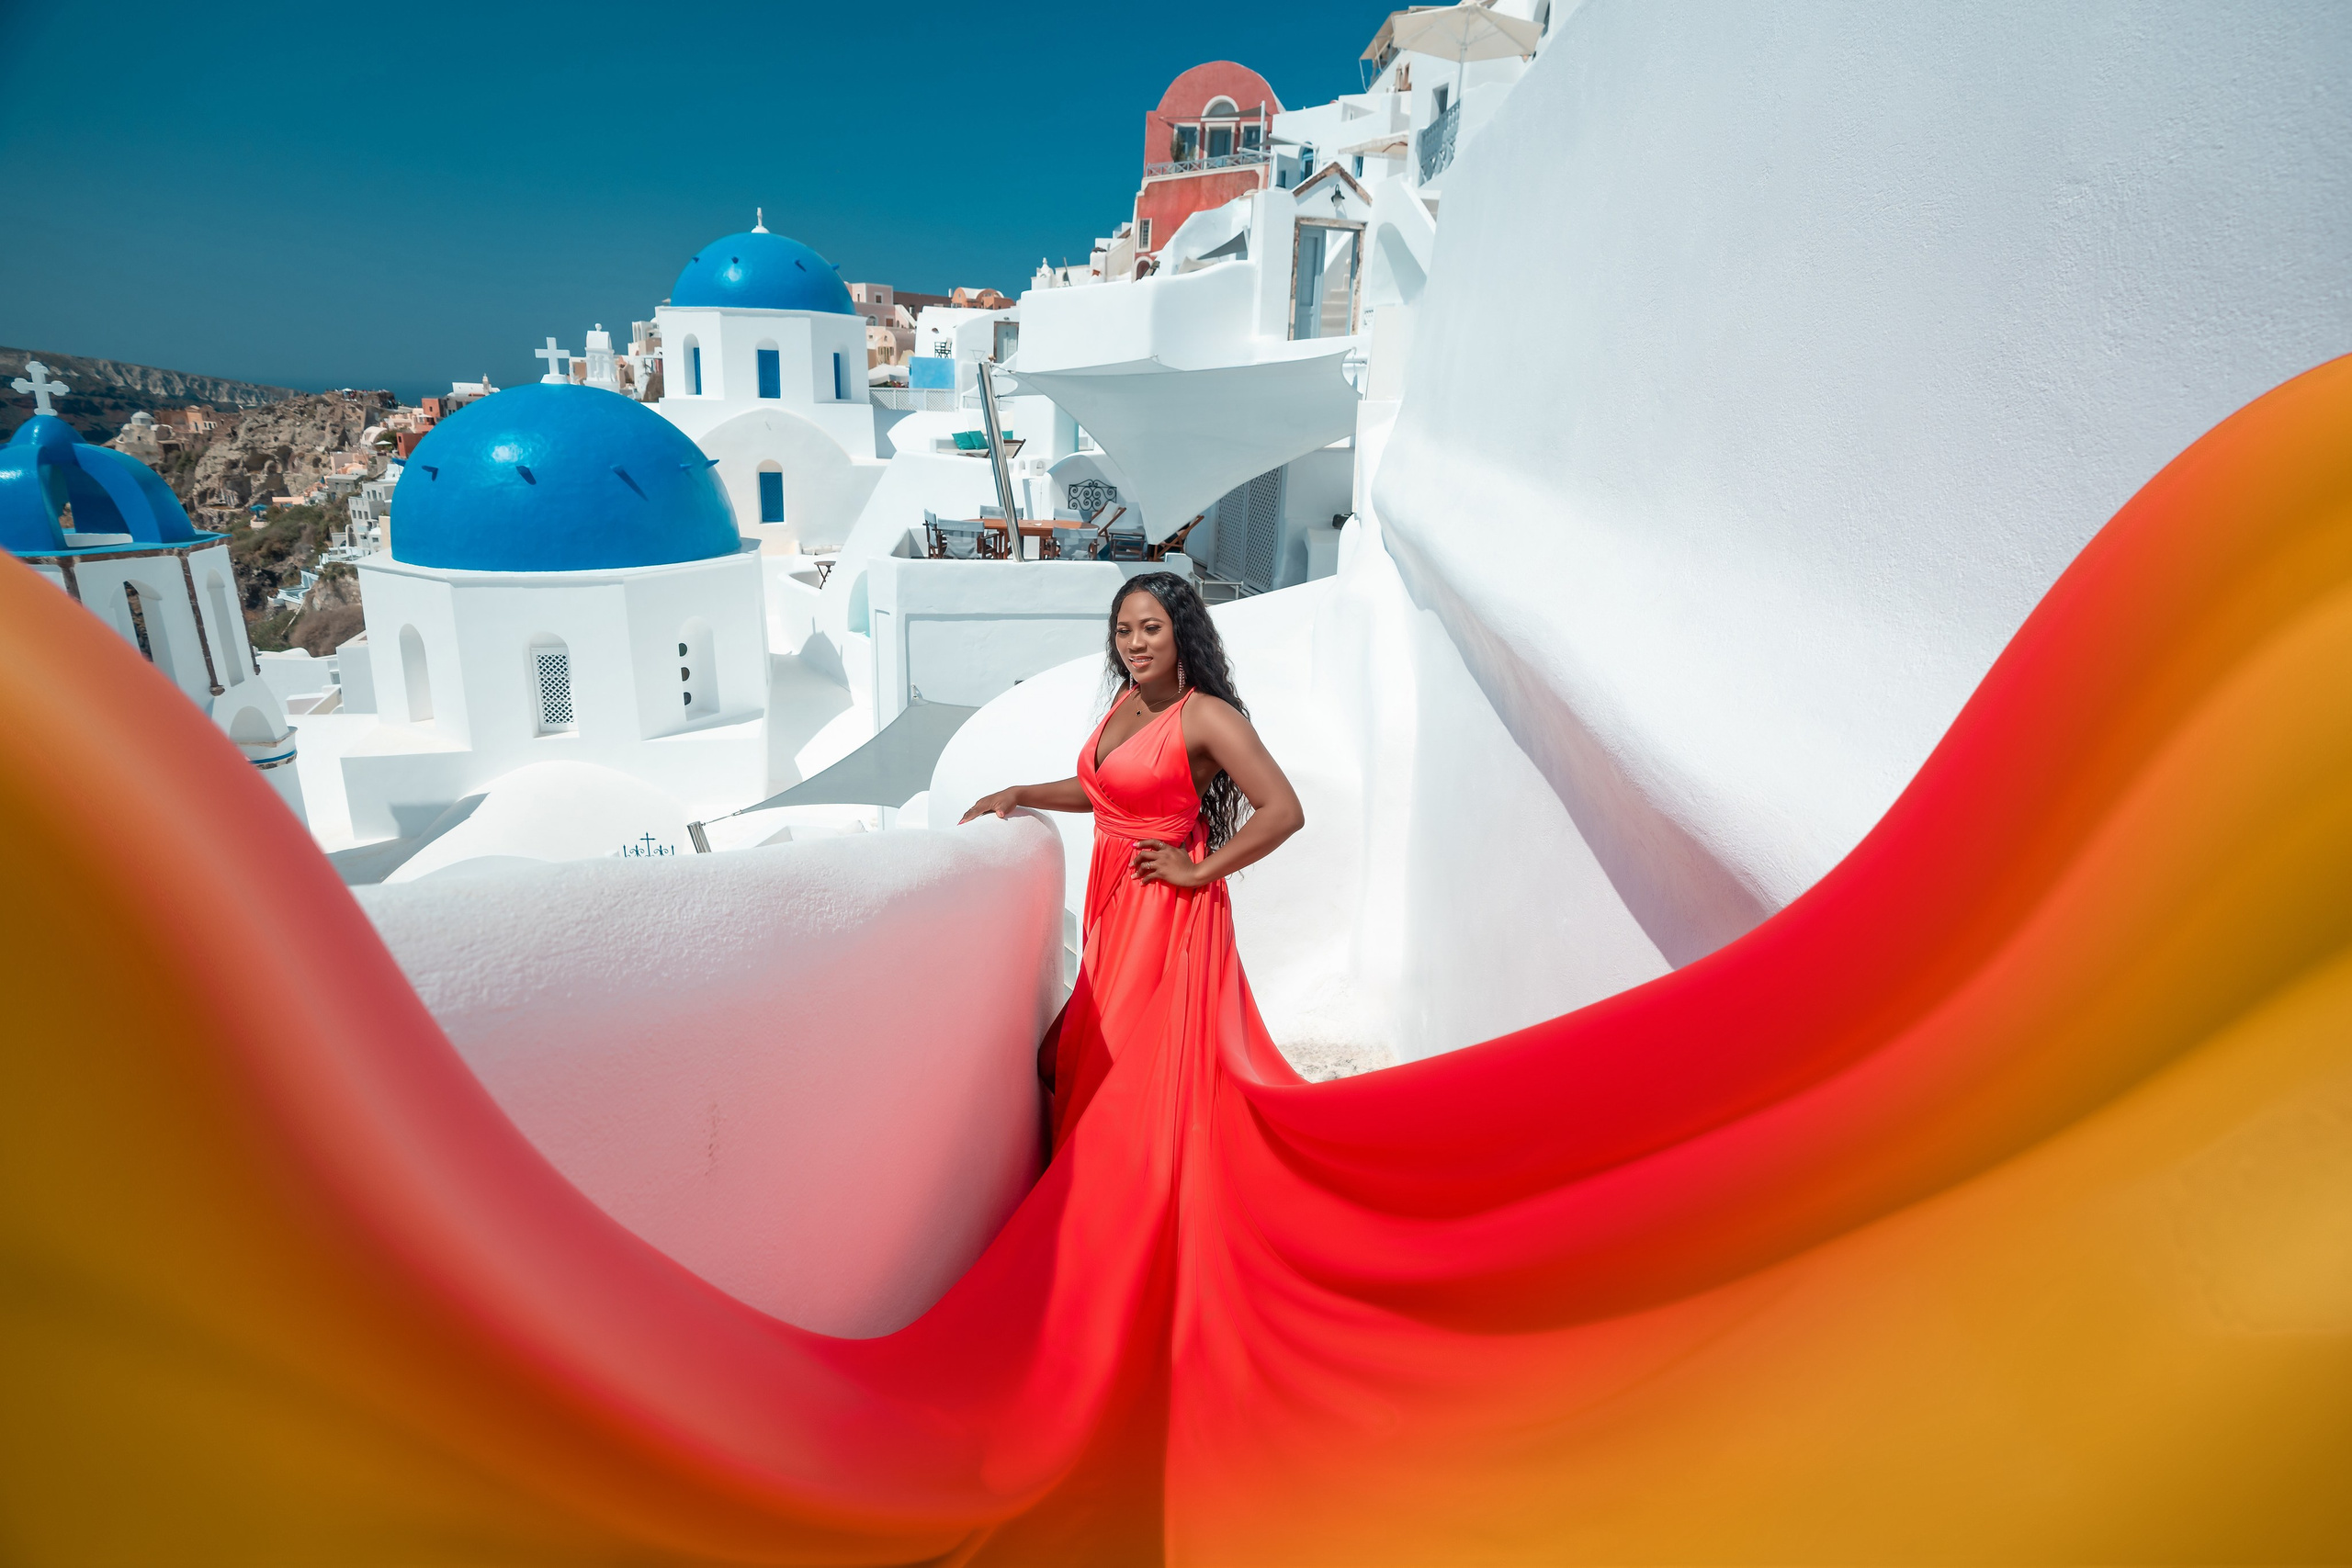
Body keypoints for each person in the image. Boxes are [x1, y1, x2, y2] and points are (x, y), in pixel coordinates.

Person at [962, 570, 1306, 1149]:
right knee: (1072, 1056)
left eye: (1151, 628)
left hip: (1164, 908)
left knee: (1110, 1062)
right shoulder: (1127, 698)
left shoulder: (1207, 717)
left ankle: (1127, 1199)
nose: (1134, 643)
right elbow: (1104, 793)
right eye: (1123, 630)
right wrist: (1022, 793)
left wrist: (1198, 870)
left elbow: (1283, 810)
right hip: (1113, 901)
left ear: (1182, 634)